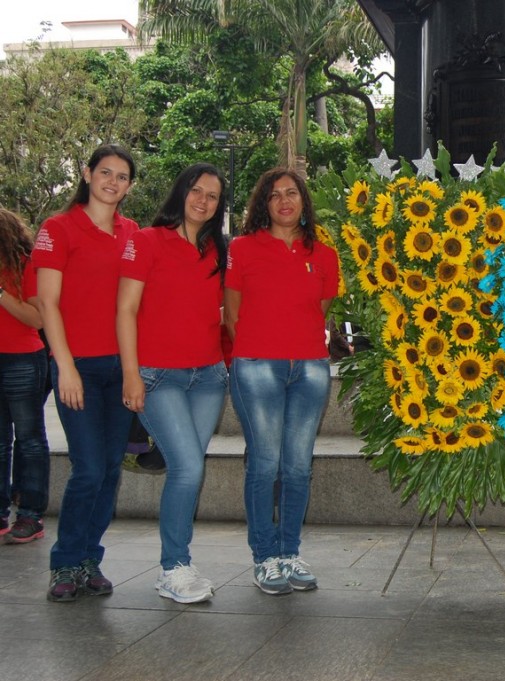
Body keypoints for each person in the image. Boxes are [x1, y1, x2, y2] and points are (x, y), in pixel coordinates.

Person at [117, 163, 229, 603]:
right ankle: (174, 567)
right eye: (196, 191)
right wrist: (131, 375)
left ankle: (178, 562)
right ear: (181, 192)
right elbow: (125, 310)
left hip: (208, 377)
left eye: (213, 196)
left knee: (188, 467)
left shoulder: (217, 249)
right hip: (157, 375)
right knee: (187, 467)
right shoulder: (146, 241)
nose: (203, 201)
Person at [32, 144, 139, 602]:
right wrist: (65, 367)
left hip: (121, 367)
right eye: (105, 172)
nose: (112, 182)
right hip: (78, 368)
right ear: (86, 173)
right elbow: (47, 303)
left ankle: (89, 559)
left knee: (111, 469)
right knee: (89, 468)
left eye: (122, 176)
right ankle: (64, 562)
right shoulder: (58, 229)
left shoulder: (131, 233)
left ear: (129, 186)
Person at [225, 168, 339, 595]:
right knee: (264, 463)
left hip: (309, 368)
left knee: (298, 467)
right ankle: (265, 557)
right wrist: (260, 347)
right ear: (264, 204)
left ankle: (290, 552)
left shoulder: (324, 255)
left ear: (303, 202)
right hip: (257, 366)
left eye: (292, 193)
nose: (284, 201)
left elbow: (320, 309)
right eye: (274, 195)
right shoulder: (242, 248)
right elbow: (232, 313)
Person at [0, 208, 49, 544]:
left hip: (22, 360)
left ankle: (30, 515)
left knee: (29, 439)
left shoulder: (23, 264)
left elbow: (37, 318)